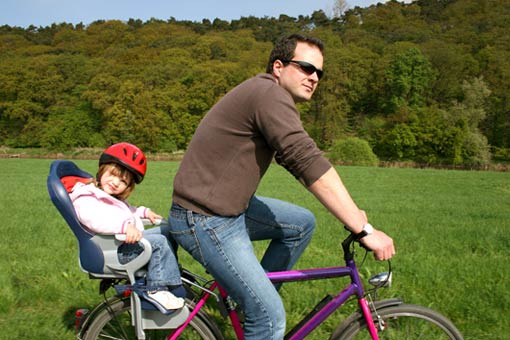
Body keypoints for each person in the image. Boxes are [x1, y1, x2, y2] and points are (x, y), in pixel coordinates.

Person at [168, 34, 395, 338]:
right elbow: (305, 160)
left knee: (300, 224)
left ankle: (251, 295)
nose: (314, 77)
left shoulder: (265, 93)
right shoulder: (268, 95)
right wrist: (362, 227)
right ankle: (258, 307)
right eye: (305, 67)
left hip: (222, 208)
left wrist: (354, 214)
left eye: (319, 73)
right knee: (270, 317)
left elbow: (300, 158)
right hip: (206, 219)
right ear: (278, 66)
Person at [70, 142, 185, 314]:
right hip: (112, 250)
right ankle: (156, 289)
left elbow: (127, 212)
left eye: (123, 181)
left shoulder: (108, 197)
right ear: (102, 170)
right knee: (159, 242)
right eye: (112, 175)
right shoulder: (87, 197)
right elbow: (96, 220)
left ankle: (168, 274)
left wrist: (145, 213)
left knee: (167, 230)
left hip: (122, 244)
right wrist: (124, 227)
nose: (115, 182)